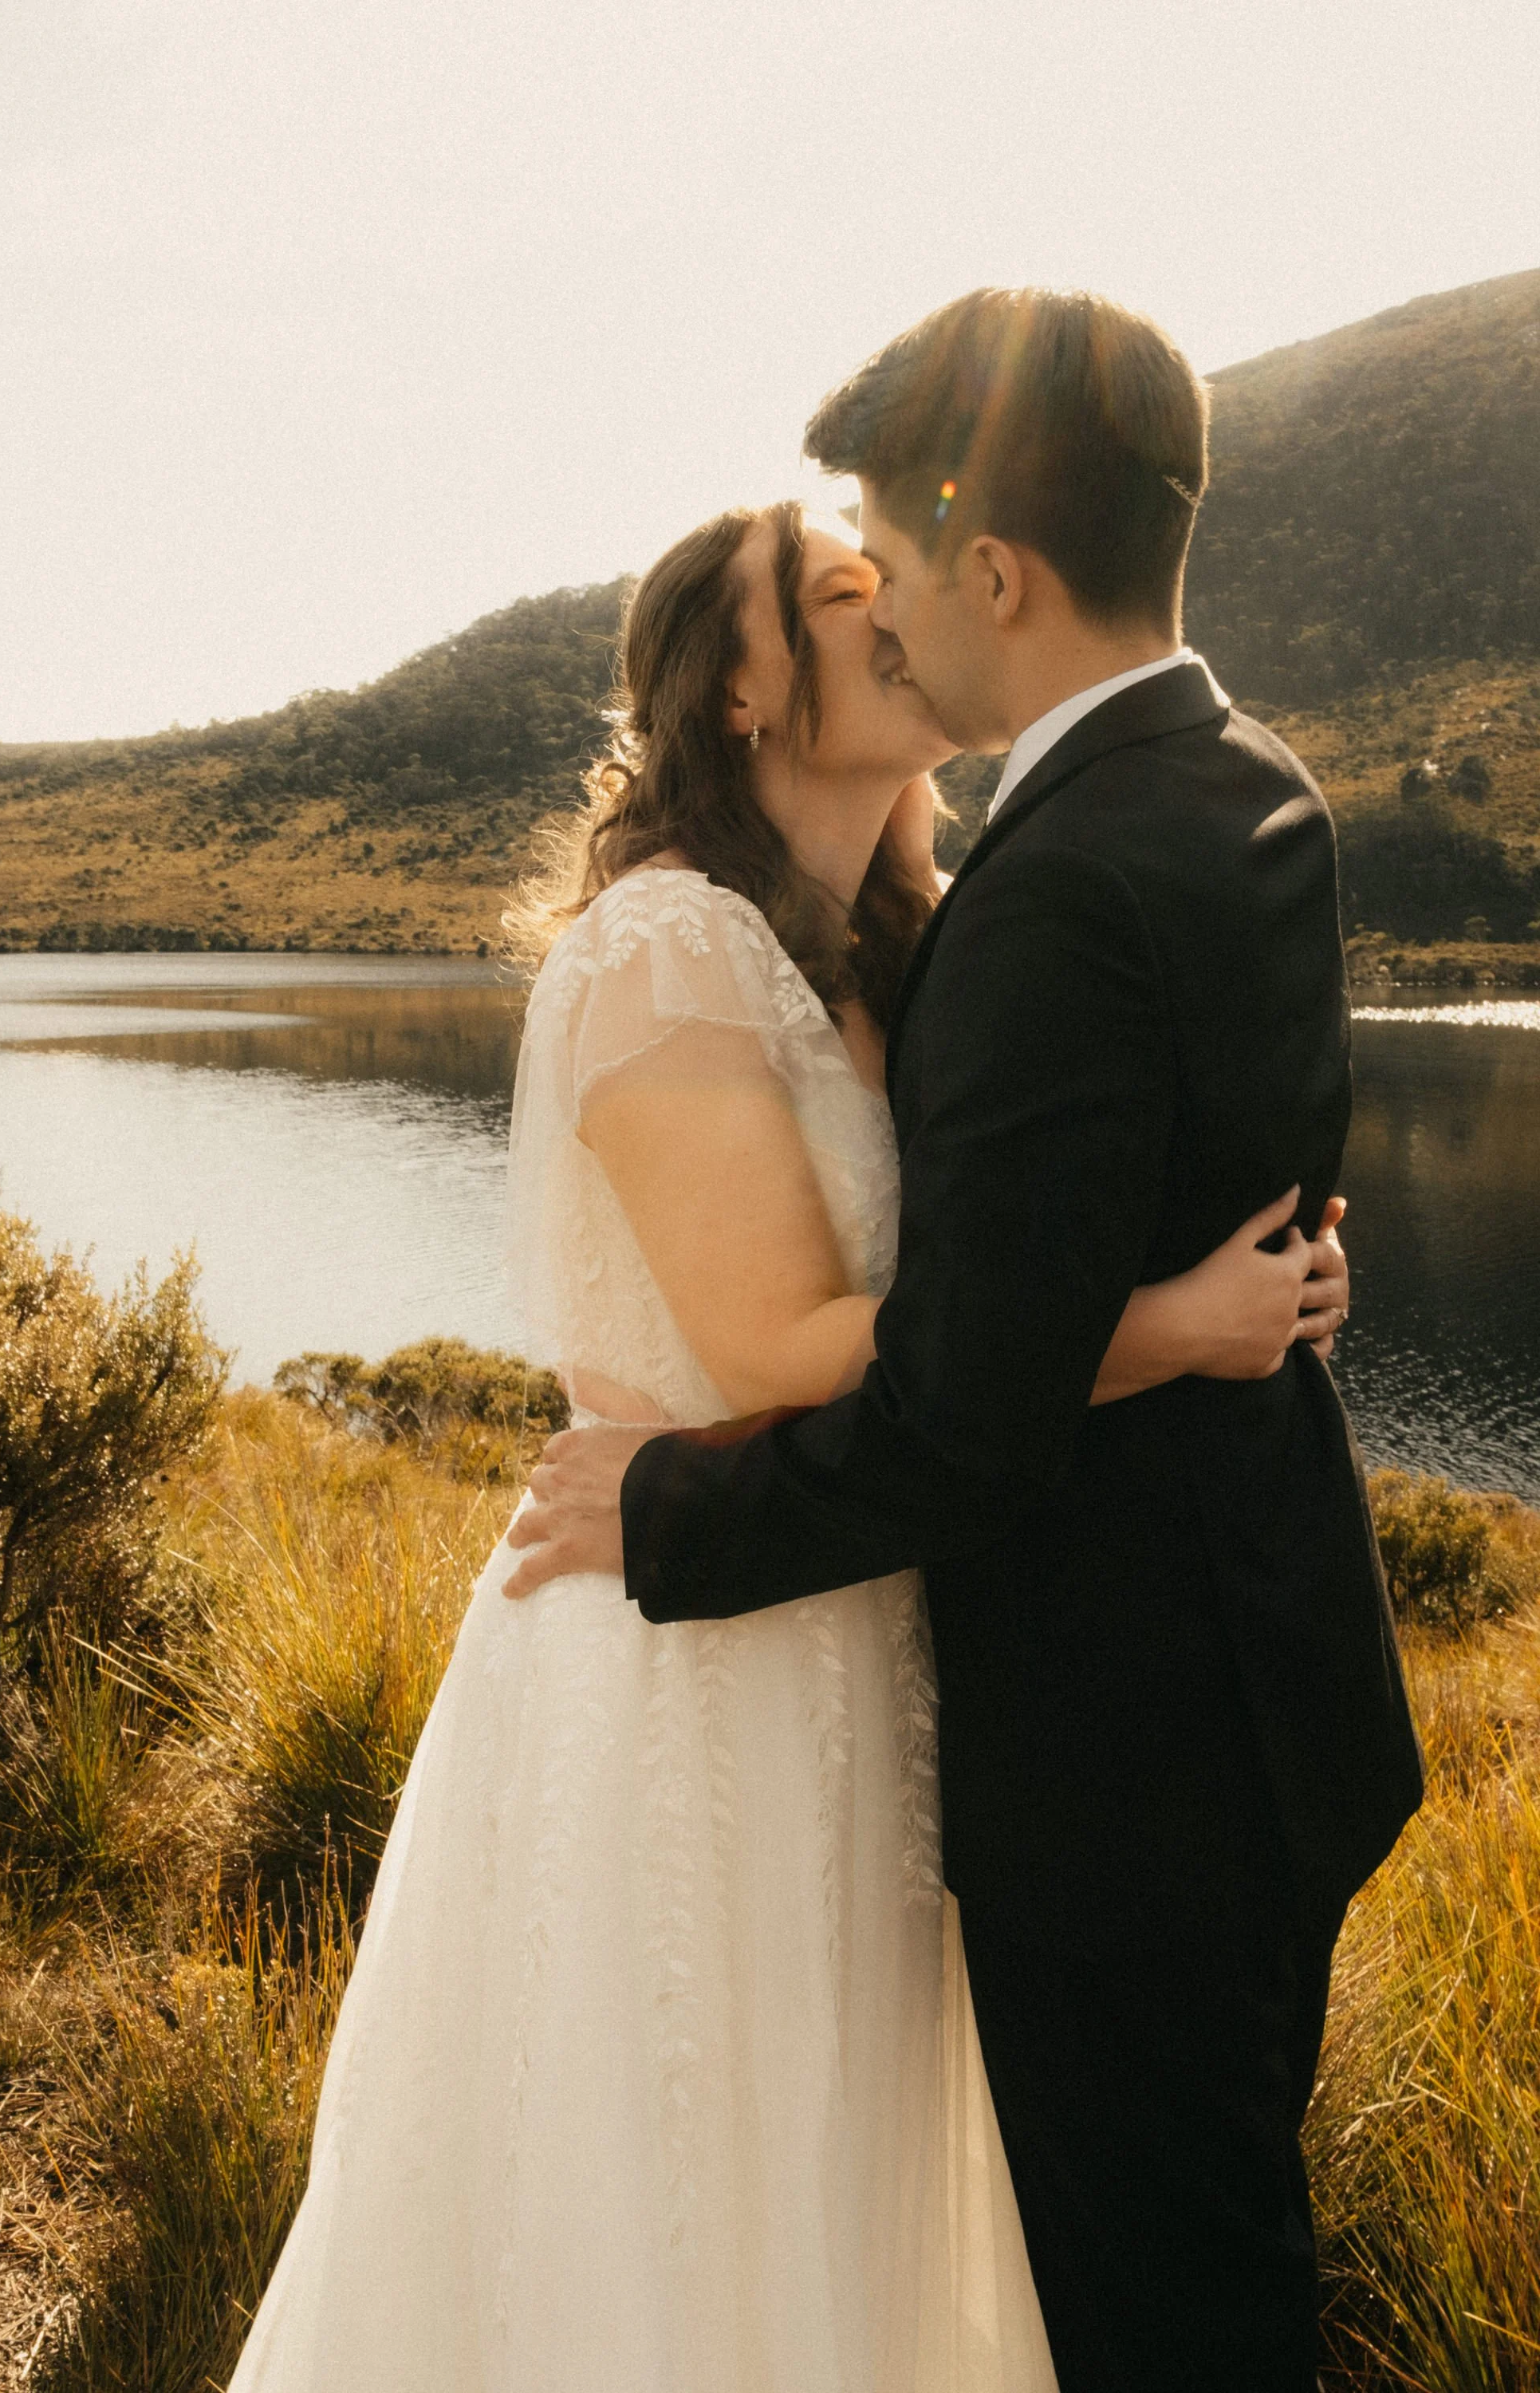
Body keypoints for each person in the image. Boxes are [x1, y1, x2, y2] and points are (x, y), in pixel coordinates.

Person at [228, 487, 1353, 2393]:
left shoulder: (897, 946)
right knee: (682, 2179)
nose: (892, 604)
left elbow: (1004, 1257)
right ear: (740, 692)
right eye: (839, 592)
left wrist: (1270, 1248)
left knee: (849, 2179)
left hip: (867, 1642)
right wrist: (1169, 1332)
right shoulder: (663, 950)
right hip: (690, 1659)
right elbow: (784, 1346)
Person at [505, 290, 1424, 2393]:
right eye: (837, 593)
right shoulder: (1248, 781)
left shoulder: (1031, 899)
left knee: (1160, 2314)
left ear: (992, 573)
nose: (889, 613)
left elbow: (966, 1407)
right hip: (1248, 1690)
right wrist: (1211, 1312)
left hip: (1128, 1769)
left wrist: (667, 1516)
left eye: (895, 568)